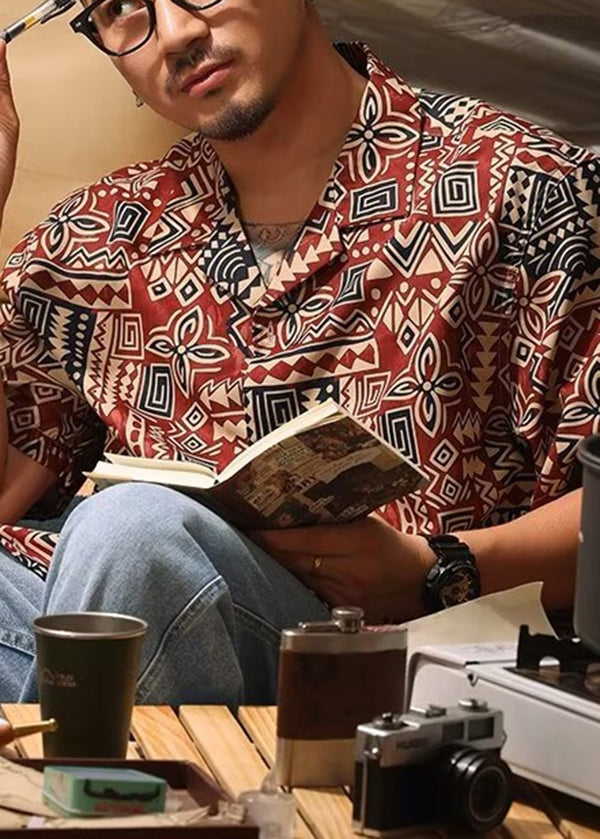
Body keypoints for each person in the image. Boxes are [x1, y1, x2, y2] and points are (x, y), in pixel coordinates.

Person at [0, 0, 597, 705]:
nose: (178, 34)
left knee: (132, 533)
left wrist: (439, 569)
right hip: (120, 633)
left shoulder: (526, 188)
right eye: (121, 6)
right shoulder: (96, 238)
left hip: (398, 666)